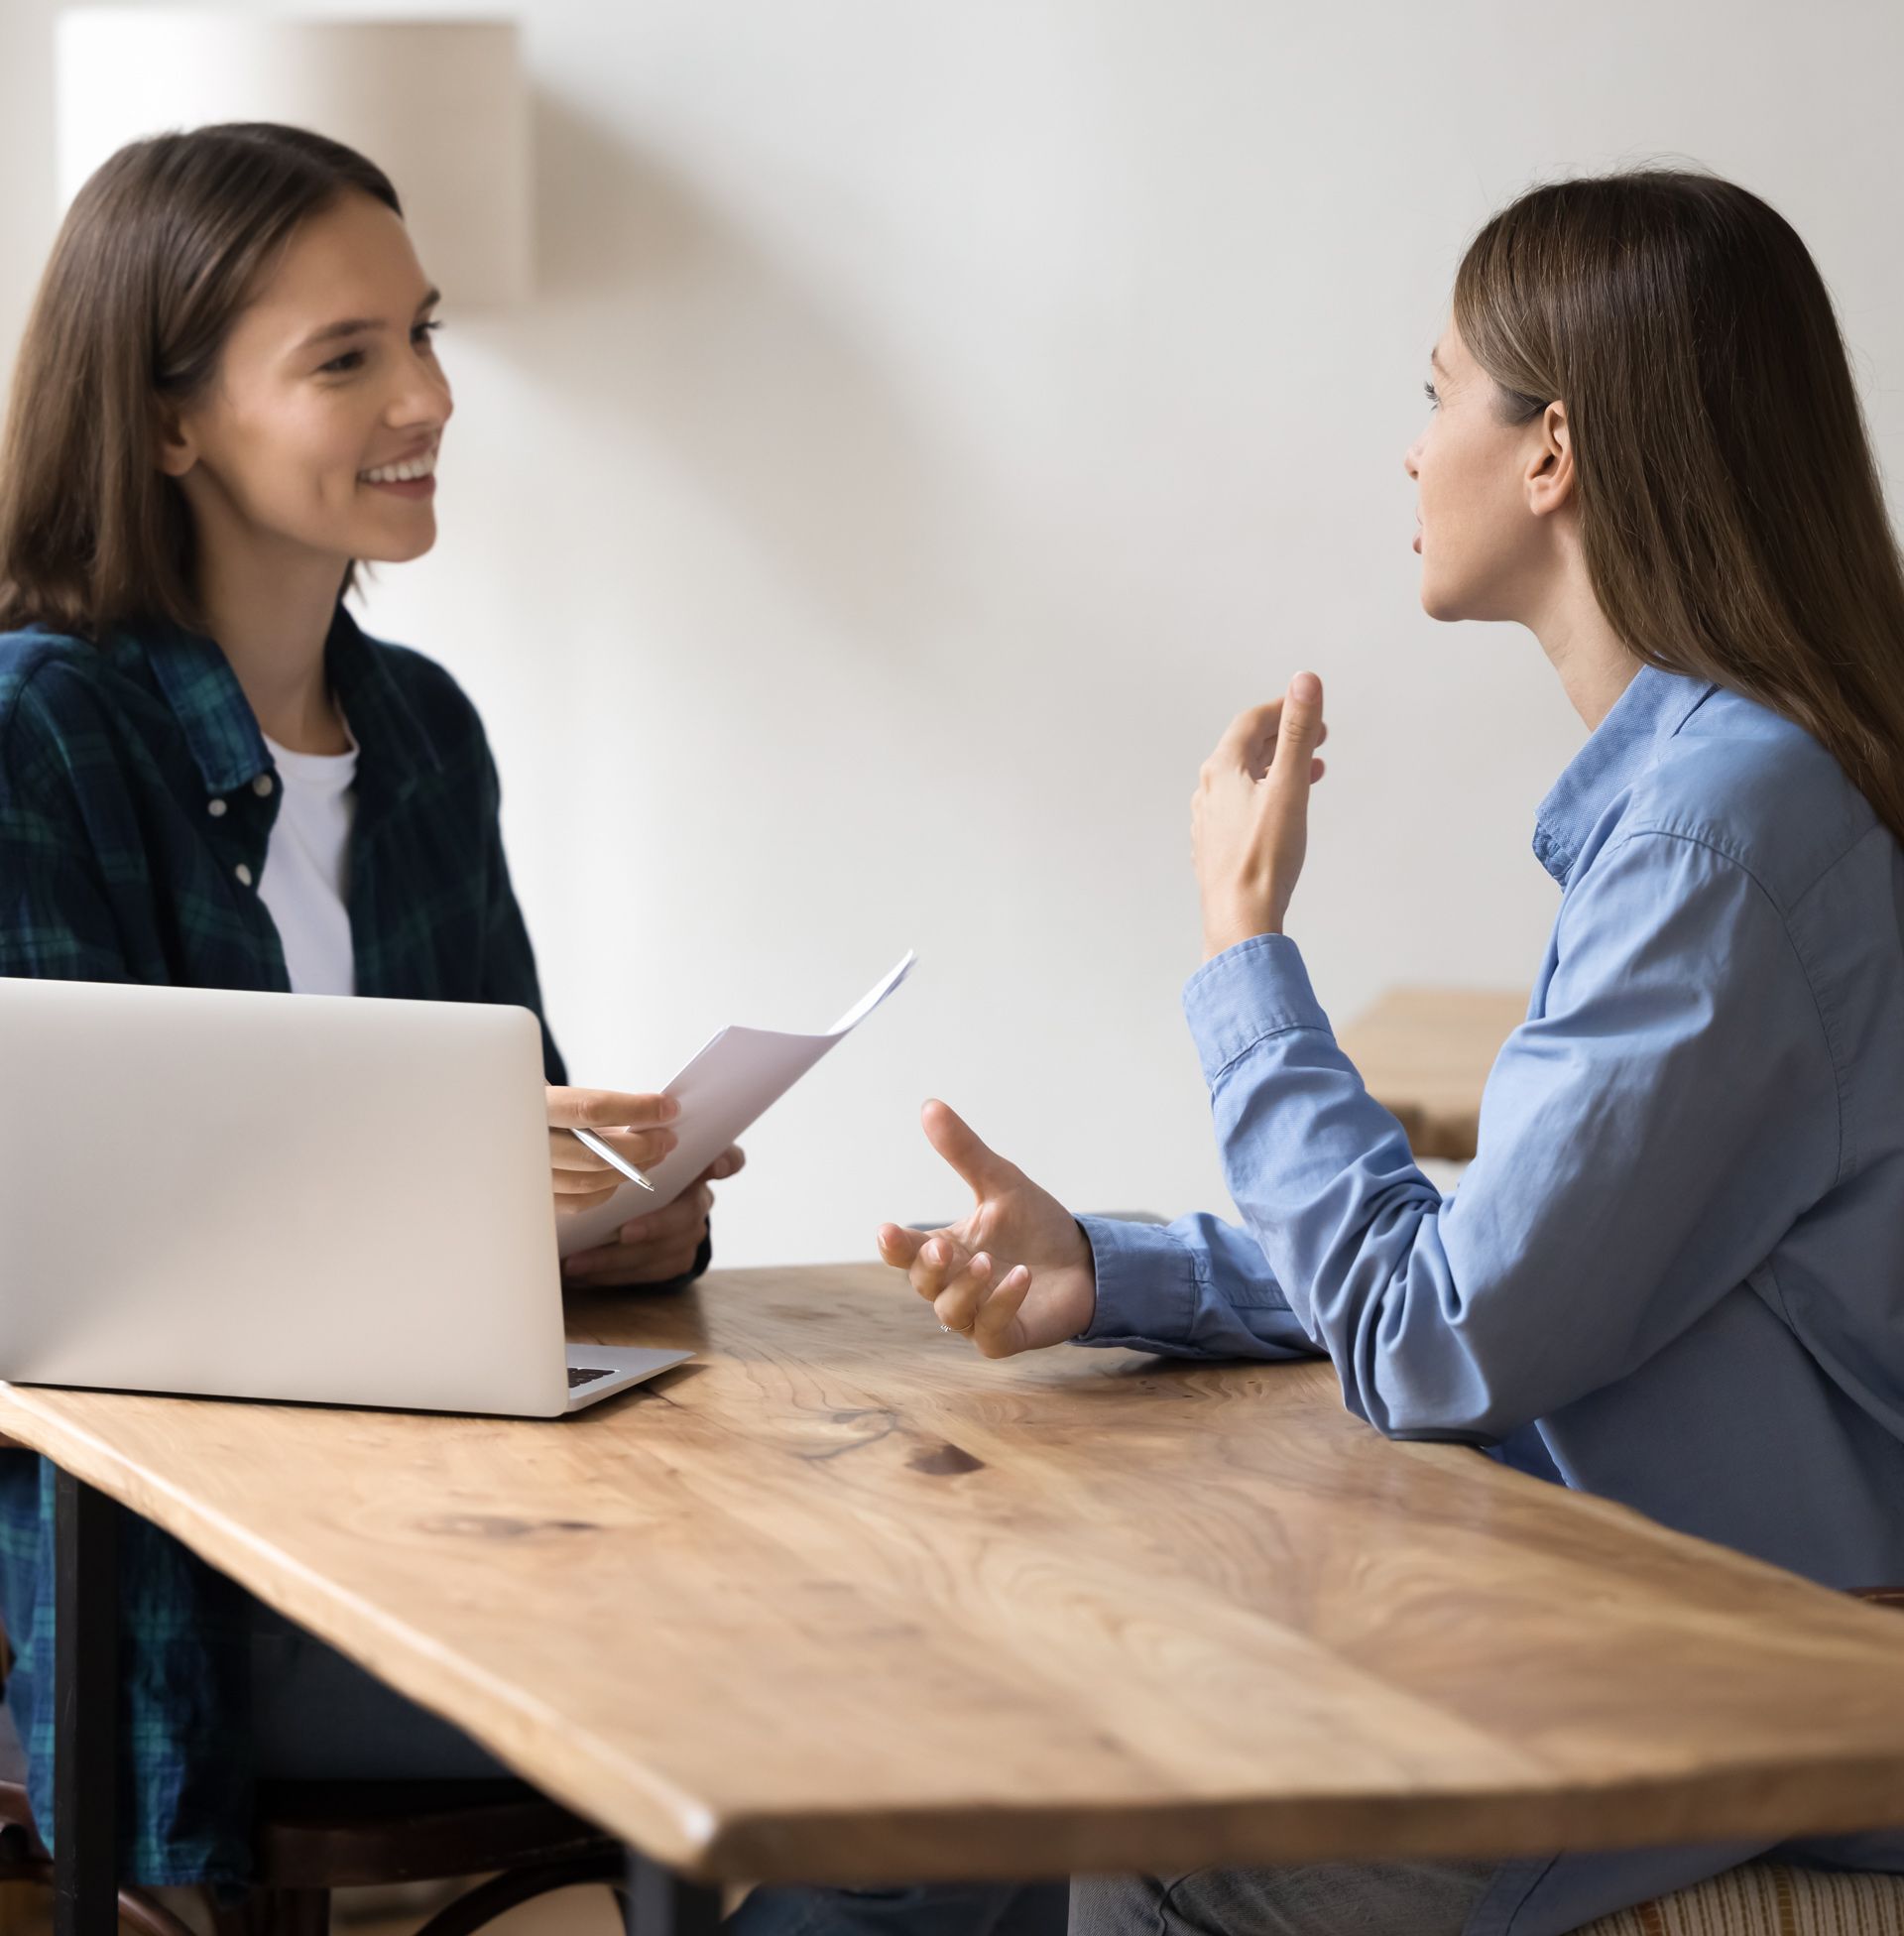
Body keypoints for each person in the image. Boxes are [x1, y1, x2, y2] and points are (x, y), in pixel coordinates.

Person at [878, 168, 1904, 1935]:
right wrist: (1108, 1274)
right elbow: (1537, 1269)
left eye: (1435, 393)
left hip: (1758, 1682)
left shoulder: (1718, 840)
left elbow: (1441, 1340)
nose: (1410, 449)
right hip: (1673, 1623)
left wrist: (1245, 943)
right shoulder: (1730, 793)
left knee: (1148, 1820)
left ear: (1552, 452)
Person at [0, 121, 736, 1888]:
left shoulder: (421, 733)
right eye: (348, 358)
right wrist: (479, 1205)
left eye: (424, 333)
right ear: (172, 419)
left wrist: (606, 1218)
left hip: (459, 1511)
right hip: (177, 1579)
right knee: (791, 1703)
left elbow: (506, 1137)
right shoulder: (40, 730)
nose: (427, 398)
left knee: (873, 1650)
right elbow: (65, 1269)